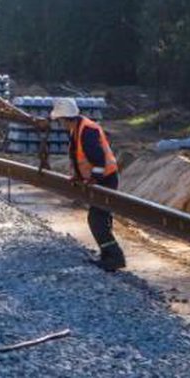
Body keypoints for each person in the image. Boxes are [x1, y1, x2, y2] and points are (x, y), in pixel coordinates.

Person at [51, 97, 125, 272]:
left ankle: (115, 256)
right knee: (101, 218)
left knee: (96, 219)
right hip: (102, 178)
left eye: (59, 120)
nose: (59, 123)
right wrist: (78, 176)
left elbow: (99, 160)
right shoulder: (77, 129)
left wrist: (93, 179)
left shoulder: (87, 130)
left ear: (64, 118)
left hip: (105, 179)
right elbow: (80, 157)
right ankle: (107, 255)